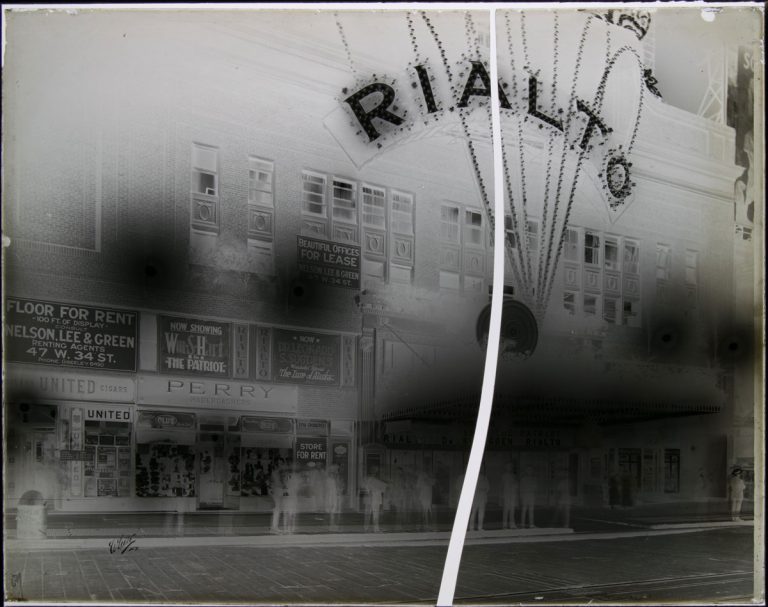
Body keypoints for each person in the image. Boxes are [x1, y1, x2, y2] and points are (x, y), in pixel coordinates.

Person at [362, 467, 388, 532]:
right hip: (372, 499)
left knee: (373, 514)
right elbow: (367, 489)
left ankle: (372, 528)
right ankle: (371, 528)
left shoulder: (375, 480)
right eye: (375, 471)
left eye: (376, 471)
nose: (376, 472)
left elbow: (383, 489)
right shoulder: (371, 480)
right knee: (371, 514)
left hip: (374, 499)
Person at [269, 460, 286, 533]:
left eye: (282, 464)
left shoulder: (278, 473)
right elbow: (277, 483)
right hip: (277, 491)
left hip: (278, 491)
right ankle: (274, 527)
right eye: (280, 464)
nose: (282, 465)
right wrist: (284, 486)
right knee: (277, 510)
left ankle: (274, 527)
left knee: (277, 510)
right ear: (277, 465)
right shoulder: (275, 472)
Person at [501, 463, 519, 529]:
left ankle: (512, 524)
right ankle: (504, 524)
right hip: (506, 494)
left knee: (512, 510)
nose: (509, 468)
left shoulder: (514, 476)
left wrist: (515, 485)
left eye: (510, 467)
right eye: (508, 466)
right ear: (506, 467)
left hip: (512, 494)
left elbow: (516, 486)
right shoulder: (503, 476)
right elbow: (502, 486)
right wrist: (501, 497)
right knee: (506, 510)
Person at [325, 464, 343, 531]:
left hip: (337, 496)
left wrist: (340, 490)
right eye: (335, 470)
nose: (337, 472)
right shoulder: (329, 479)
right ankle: (331, 525)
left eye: (337, 470)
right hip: (331, 496)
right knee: (332, 510)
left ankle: (335, 525)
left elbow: (341, 487)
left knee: (337, 511)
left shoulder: (338, 478)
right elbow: (328, 489)